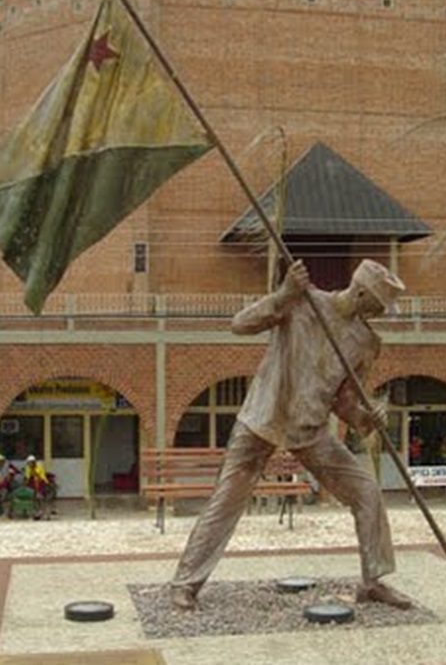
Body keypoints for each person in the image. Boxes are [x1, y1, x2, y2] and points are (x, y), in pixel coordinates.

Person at [170, 259, 412, 611]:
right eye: (379, 306)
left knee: (366, 490)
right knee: (226, 502)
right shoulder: (302, 301)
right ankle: (186, 584)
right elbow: (239, 325)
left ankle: (373, 581)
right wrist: (283, 295)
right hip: (263, 418)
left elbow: (343, 402)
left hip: (309, 429)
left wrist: (366, 417)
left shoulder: (366, 342)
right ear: (361, 293)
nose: (382, 314)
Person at [24, 454, 50, 519]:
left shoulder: (39, 466)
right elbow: (27, 477)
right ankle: (38, 512)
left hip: (42, 483)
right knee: (35, 499)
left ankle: (46, 513)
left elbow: (41, 476)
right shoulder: (28, 468)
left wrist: (34, 473)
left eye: (30, 463)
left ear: (33, 462)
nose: (29, 464)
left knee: (41, 498)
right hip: (34, 484)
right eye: (28, 463)